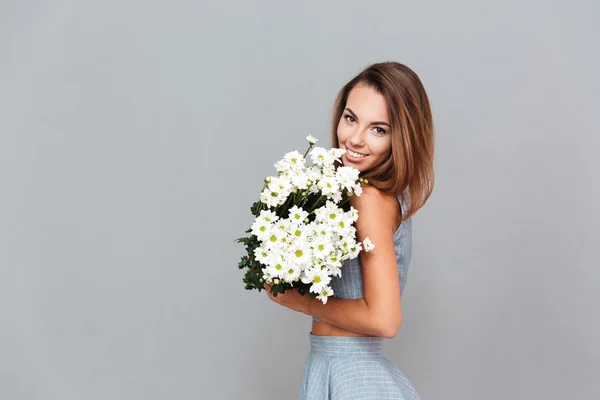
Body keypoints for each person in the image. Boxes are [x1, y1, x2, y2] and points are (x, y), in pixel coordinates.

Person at [264, 61, 435, 399]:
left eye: (378, 129)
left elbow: (385, 319)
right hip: (335, 367)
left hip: (351, 375)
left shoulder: (369, 198)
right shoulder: (366, 192)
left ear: (402, 137)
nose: (354, 139)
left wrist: (296, 299)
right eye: (351, 118)